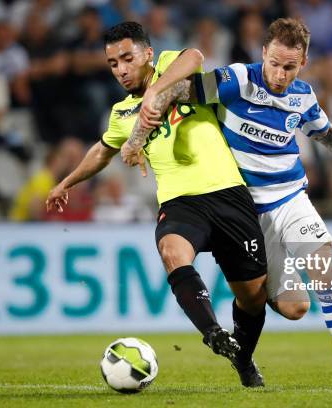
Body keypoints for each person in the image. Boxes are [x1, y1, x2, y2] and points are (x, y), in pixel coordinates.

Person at [123, 17, 332, 390]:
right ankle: (265, 293)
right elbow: (181, 91)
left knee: (324, 269)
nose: (281, 74)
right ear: (263, 53)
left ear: (302, 63)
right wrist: (139, 133)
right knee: (294, 308)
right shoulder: (238, 80)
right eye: (275, 63)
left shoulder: (302, 95)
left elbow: (327, 133)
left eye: (290, 66)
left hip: (290, 198)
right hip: (245, 209)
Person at [45, 22, 268, 388]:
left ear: (148, 54)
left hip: (228, 192)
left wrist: (156, 95)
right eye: (113, 63)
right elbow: (103, 151)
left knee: (253, 297)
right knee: (171, 251)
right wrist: (65, 182)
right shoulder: (121, 113)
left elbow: (195, 57)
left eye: (127, 58)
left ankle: (243, 361)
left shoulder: (170, 67)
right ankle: (212, 332)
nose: (121, 69)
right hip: (180, 203)